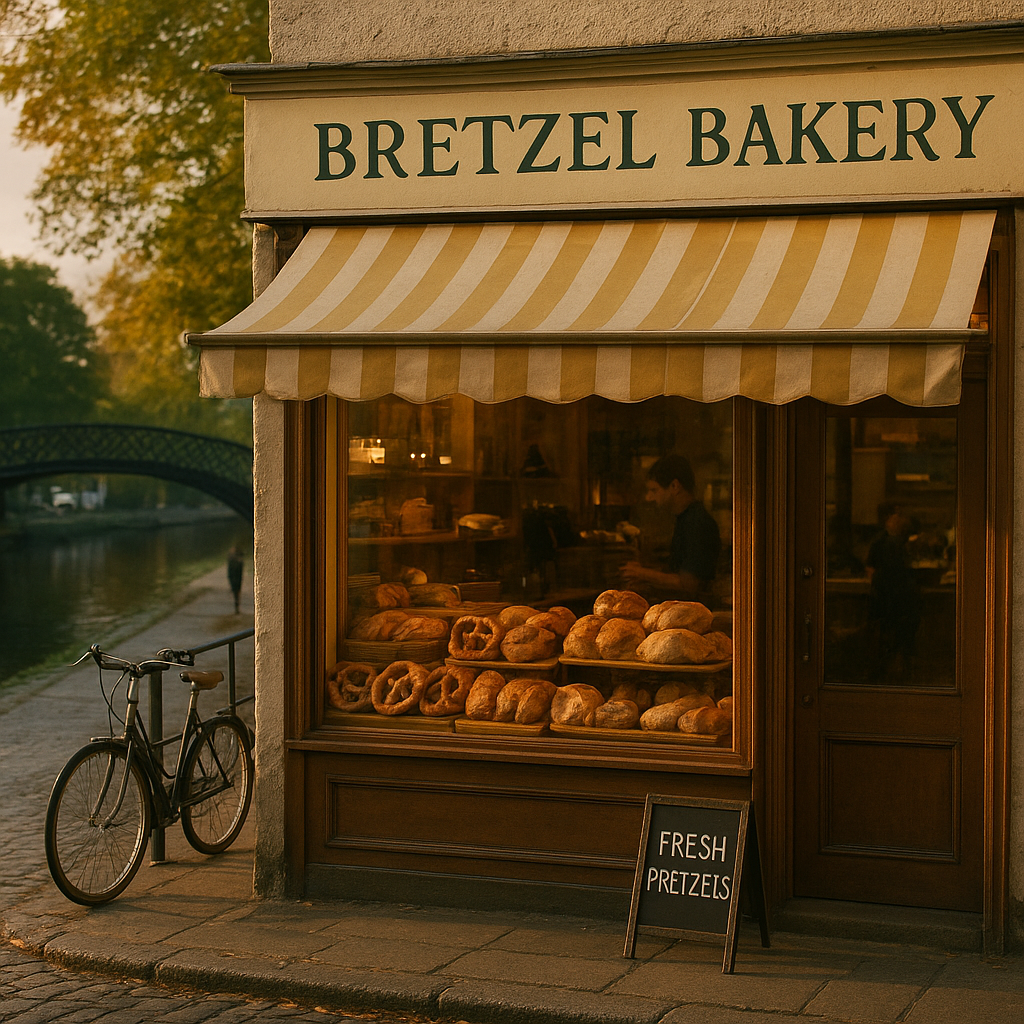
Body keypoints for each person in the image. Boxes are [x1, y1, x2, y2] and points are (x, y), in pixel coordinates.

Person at [621, 455, 721, 603]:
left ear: (675, 486)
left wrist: (642, 573)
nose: (649, 498)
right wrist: (645, 569)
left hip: (695, 611)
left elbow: (689, 584)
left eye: (654, 490)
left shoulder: (697, 522)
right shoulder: (685, 518)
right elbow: (679, 570)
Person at [227, 546, 244, 614]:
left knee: (236, 592)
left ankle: (237, 606)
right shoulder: (239, 561)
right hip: (236, 578)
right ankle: (237, 606)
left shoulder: (232, 560)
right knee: (236, 592)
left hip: (235, 578)